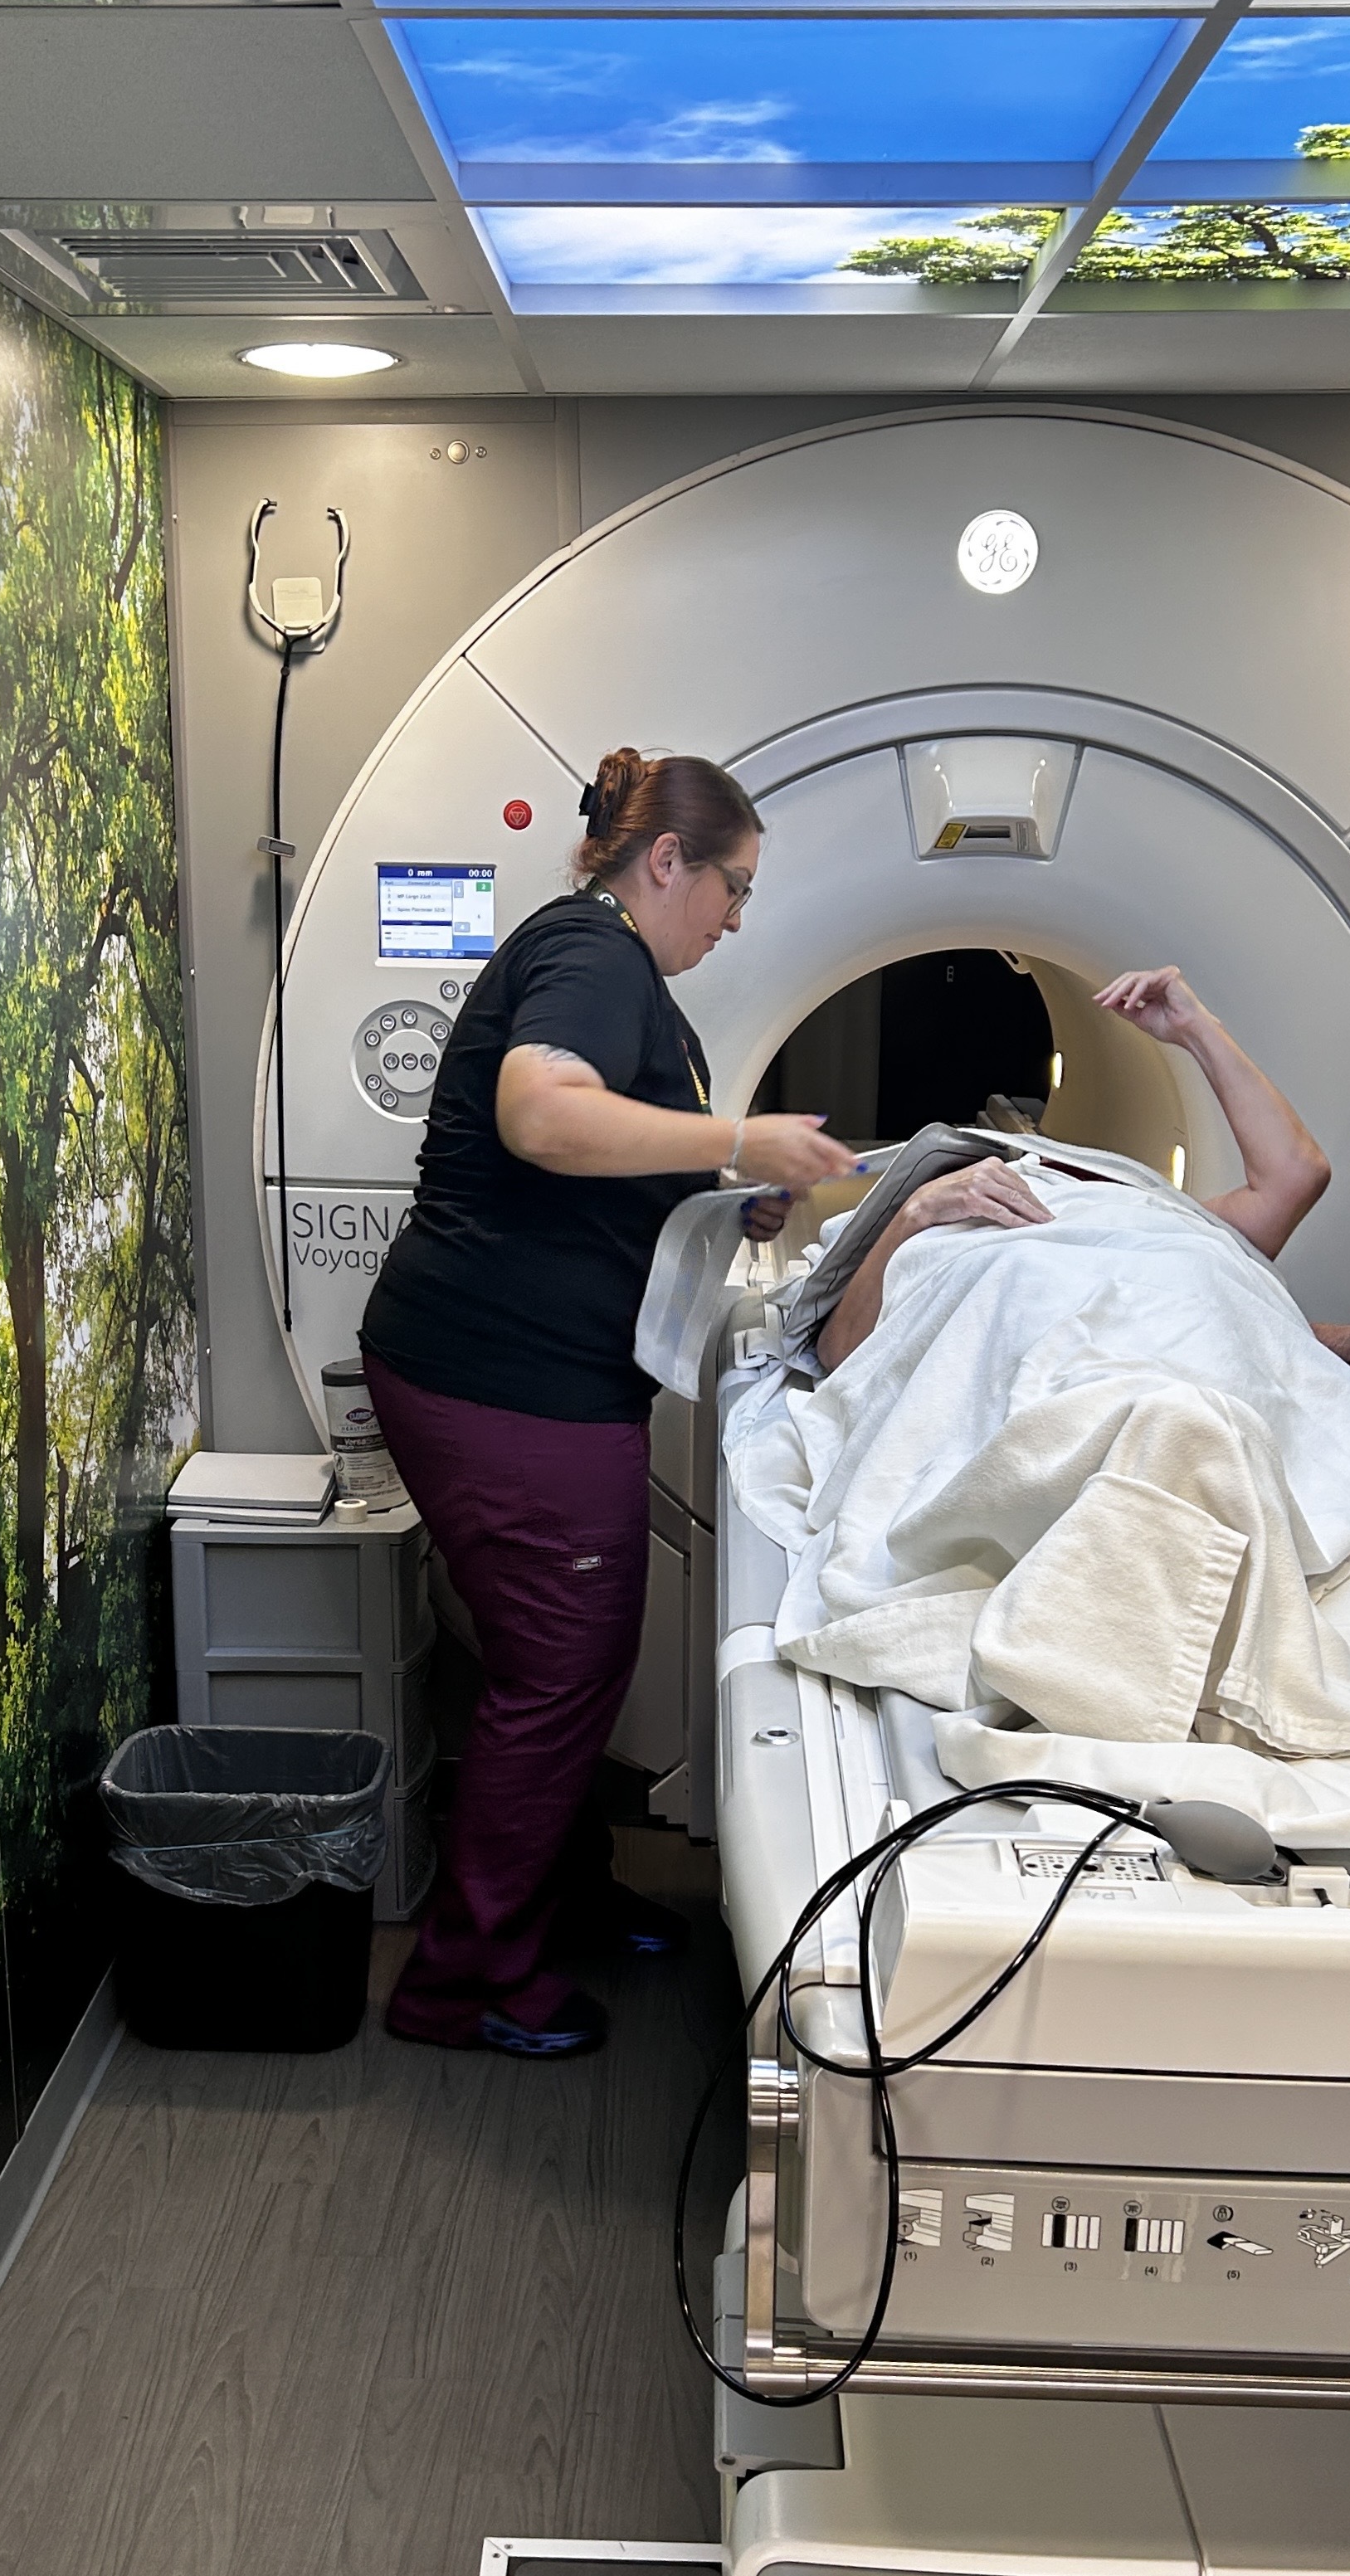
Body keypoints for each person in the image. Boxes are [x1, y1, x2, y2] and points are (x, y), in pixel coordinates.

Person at [360, 749, 856, 2058]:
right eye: (731, 888)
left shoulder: (627, 975)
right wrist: (738, 1141)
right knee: (561, 1665)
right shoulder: (592, 954)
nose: (736, 918)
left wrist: (716, 1193)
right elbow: (540, 1116)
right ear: (664, 860)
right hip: (496, 1372)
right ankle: (458, 1982)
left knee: (567, 1667)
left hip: (539, 1372)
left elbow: (610, 1153)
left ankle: (551, 1898)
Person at [816, 964, 1330, 1370]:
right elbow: (839, 1352)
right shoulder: (936, 1230)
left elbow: (1297, 1175)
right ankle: (1337, 1347)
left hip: (1172, 1359)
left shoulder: (1157, 1216)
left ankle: (1325, 1348)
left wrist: (1197, 1028)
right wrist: (917, 1211)